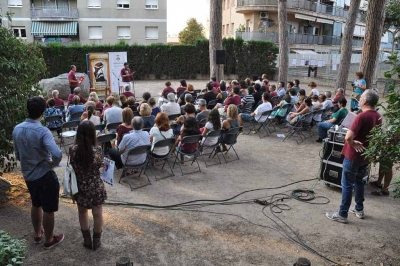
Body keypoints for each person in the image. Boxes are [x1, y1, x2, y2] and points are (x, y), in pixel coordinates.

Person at [12, 96, 64, 249]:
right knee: (49, 208)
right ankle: (49, 239)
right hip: (44, 175)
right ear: (43, 111)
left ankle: (37, 234)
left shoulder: (17, 129)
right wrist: (52, 164)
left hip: (28, 175)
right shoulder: (43, 131)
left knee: (36, 203)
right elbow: (57, 154)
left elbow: (17, 154)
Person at [326, 89, 381, 223]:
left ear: (365, 101)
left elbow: (348, 137)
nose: (359, 99)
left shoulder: (361, 116)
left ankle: (342, 214)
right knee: (359, 181)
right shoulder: (378, 115)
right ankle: (359, 208)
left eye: (361, 97)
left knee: (347, 184)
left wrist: (353, 143)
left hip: (353, 156)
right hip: (365, 155)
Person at [69, 121, 107, 251]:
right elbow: (100, 166)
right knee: (97, 213)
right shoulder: (98, 150)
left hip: (80, 186)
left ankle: (87, 240)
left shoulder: (72, 150)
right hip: (96, 185)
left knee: (82, 211)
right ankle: (96, 241)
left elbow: (72, 166)